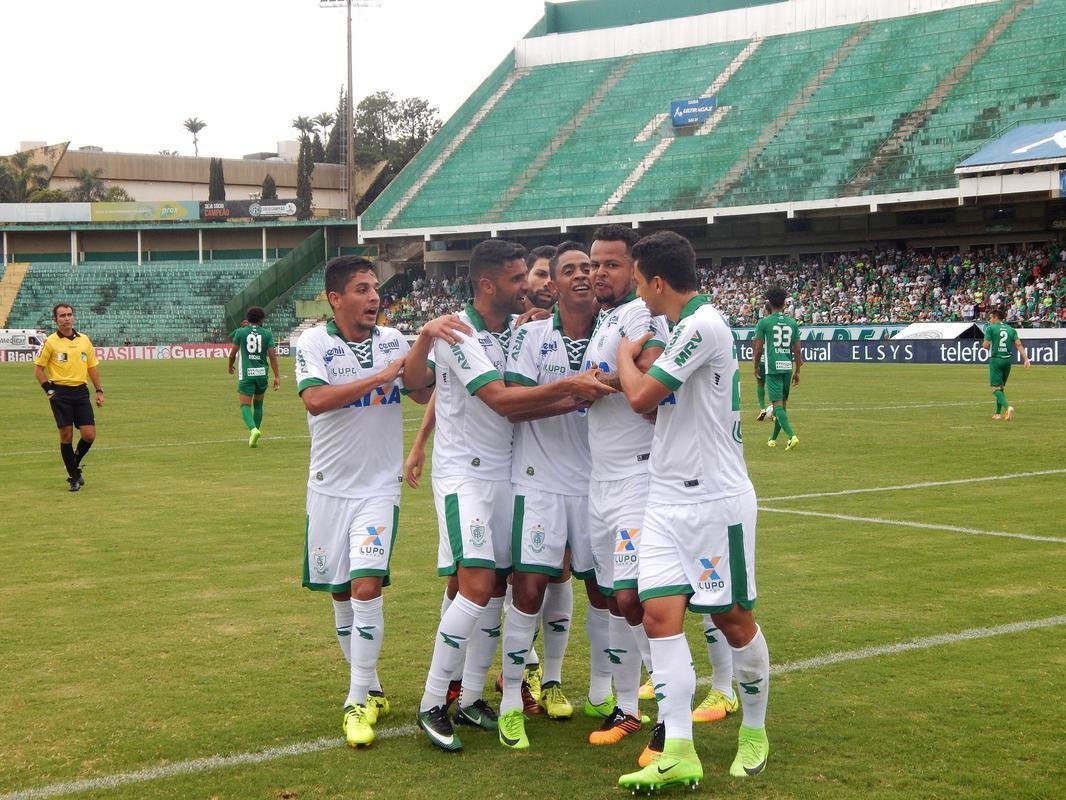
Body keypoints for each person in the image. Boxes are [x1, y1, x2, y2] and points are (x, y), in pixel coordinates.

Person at [402, 238, 614, 753]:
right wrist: (574, 385)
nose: (531, 286)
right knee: (475, 584)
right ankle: (433, 701)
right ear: (487, 284)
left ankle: (472, 694)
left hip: (508, 476)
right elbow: (495, 400)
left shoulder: (514, 331)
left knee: (496, 587)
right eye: (520, 279)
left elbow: (433, 391)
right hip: (465, 477)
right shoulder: (459, 331)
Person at [614, 230, 770, 792]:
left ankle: (755, 730)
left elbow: (639, 397)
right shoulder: (685, 329)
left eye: (637, 281)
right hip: (666, 499)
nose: (636, 292)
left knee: (731, 620)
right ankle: (679, 747)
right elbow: (668, 415)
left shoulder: (703, 326)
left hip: (713, 502)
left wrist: (622, 357)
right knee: (659, 617)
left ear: (657, 282)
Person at [294, 256, 436, 748]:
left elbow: (420, 392)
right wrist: (381, 378)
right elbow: (314, 400)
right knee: (338, 593)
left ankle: (356, 701)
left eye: (375, 288)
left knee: (365, 588)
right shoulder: (312, 343)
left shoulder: (395, 342)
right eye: (361, 289)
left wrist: (418, 352)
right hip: (328, 489)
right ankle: (372, 687)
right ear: (335, 299)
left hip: (378, 488)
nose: (374, 297)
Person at [497, 241, 609, 749]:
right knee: (529, 588)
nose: (583, 274)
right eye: (571, 270)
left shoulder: (616, 331)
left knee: (605, 592)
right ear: (554, 284)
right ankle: (510, 703)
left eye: (589, 267)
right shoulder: (532, 334)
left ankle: (598, 692)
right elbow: (514, 407)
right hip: (538, 479)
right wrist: (572, 392)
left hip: (598, 482)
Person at [582, 224, 668, 749]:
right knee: (615, 599)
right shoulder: (606, 320)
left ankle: (667, 706)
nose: (598, 273)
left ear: (634, 270)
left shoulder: (639, 314)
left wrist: (600, 384)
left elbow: (654, 369)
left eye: (611, 264)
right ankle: (627, 709)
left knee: (632, 595)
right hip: (601, 478)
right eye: (594, 263)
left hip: (637, 474)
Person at [33, 303, 103, 492]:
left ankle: (74, 464)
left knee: (89, 435)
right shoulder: (50, 342)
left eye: (69, 314)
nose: (66, 318)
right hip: (60, 393)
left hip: (81, 392)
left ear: (74, 317)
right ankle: (73, 477)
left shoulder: (85, 340)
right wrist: (49, 391)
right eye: (62, 315)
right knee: (66, 435)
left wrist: (99, 390)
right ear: (55, 320)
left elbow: (92, 367)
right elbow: (38, 370)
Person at [751, 287, 802, 450]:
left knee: (777, 405)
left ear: (769, 303)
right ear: (784, 304)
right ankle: (772, 438)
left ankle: (791, 436)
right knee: (782, 406)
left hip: (772, 367)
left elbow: (758, 349)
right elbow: (797, 350)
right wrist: (798, 371)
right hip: (787, 367)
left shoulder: (764, 322)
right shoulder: (792, 323)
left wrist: (755, 366)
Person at [228, 307, 280, 448]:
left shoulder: (241, 332)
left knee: (245, 405)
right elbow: (273, 356)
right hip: (262, 374)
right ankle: (254, 435)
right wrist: (277, 376)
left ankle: (253, 430)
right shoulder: (267, 334)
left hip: (247, 374)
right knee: (258, 405)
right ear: (261, 319)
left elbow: (232, 354)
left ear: (248, 319)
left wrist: (230, 366)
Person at [981, 306, 1030, 420]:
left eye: (990, 318)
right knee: (1001, 387)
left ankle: (1008, 407)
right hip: (1007, 361)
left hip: (996, 360)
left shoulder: (990, 328)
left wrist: (984, 343)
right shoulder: (1011, 329)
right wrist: (1026, 359)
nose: (990, 320)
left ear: (996, 317)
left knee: (995, 388)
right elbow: (1018, 344)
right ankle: (997, 414)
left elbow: (986, 346)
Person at [524, 245, 558, 311]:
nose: (548, 283)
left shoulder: (574, 320)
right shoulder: (502, 316)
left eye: (554, 277)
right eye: (541, 274)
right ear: (526, 275)